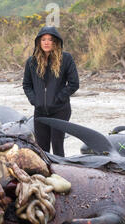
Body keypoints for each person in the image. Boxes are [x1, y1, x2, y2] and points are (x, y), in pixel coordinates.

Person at [23, 26, 80, 157]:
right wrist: (35, 100)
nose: (47, 42)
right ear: (39, 42)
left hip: (60, 110)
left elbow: (74, 83)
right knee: (42, 148)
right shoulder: (31, 62)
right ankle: (46, 175)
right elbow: (27, 85)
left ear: (56, 42)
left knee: (57, 145)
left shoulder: (66, 59)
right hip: (40, 111)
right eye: (43, 39)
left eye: (50, 39)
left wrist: (59, 99)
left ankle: (61, 173)